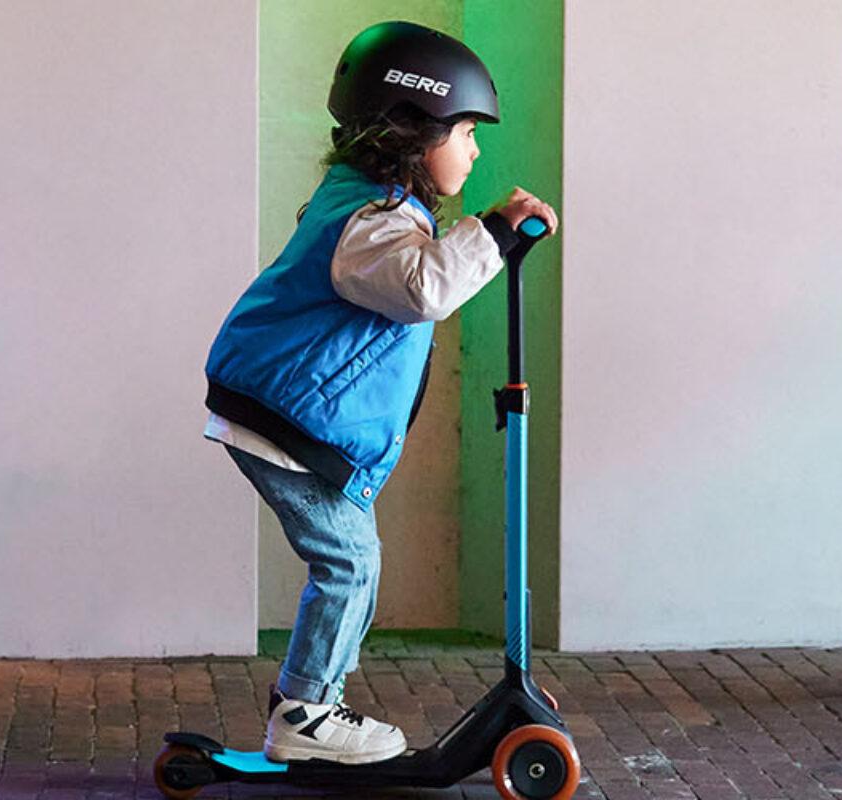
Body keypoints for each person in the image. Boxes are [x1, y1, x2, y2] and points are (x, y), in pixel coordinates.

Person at [202, 20, 558, 764]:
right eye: (465, 131)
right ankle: (306, 717)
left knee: (354, 560)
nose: (476, 148)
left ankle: (314, 701)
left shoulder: (374, 205)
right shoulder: (371, 222)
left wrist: (491, 238)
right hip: (283, 418)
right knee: (349, 563)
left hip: (290, 415)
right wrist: (493, 231)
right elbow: (424, 287)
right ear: (411, 130)